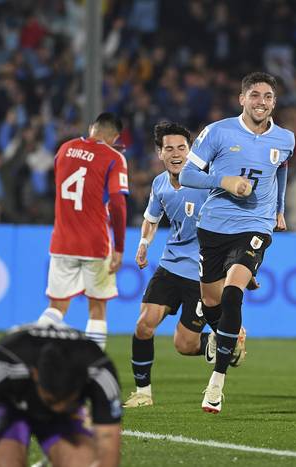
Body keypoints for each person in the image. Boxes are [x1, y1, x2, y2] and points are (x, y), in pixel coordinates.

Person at [179, 71, 294, 413]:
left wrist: (279, 209)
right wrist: (225, 181)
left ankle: (216, 383)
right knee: (213, 303)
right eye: (255, 95)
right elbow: (186, 173)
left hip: (256, 226)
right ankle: (228, 335)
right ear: (242, 99)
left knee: (232, 293)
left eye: (268, 97)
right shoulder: (218, 132)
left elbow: (282, 168)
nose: (262, 102)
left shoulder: (285, 138)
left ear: (274, 102)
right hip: (214, 226)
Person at [124, 121, 214, 408]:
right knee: (143, 326)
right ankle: (143, 393)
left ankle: (219, 340)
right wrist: (143, 244)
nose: (176, 154)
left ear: (191, 151)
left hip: (201, 274)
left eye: (182, 148)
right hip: (170, 266)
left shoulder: (207, 182)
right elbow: (152, 218)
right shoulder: (159, 183)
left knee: (184, 345)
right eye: (170, 149)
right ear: (159, 153)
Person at [0, 324, 121, 467]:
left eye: (67, 401)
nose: (57, 408)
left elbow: (109, 453)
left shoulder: (100, 371)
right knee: (5, 461)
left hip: (66, 418)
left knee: (80, 461)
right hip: (12, 407)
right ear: (35, 375)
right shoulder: (5, 361)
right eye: (51, 400)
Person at [37, 113, 129, 350]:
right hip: (95, 244)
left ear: (91, 127)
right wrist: (119, 247)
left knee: (56, 306)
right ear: (115, 137)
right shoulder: (113, 157)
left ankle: (33, 352)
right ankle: (94, 365)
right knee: (97, 307)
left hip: (62, 241)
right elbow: (118, 204)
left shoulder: (64, 149)